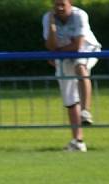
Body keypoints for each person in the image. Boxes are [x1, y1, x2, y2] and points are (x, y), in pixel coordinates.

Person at [42, 0, 101, 152]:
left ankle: (86, 111)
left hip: (86, 49)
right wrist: (52, 27)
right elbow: (50, 45)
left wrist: (56, 53)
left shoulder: (80, 15)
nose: (59, 8)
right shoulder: (48, 18)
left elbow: (77, 45)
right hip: (63, 54)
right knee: (69, 98)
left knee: (80, 67)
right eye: (56, 4)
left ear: (70, 3)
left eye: (63, 4)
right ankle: (78, 141)